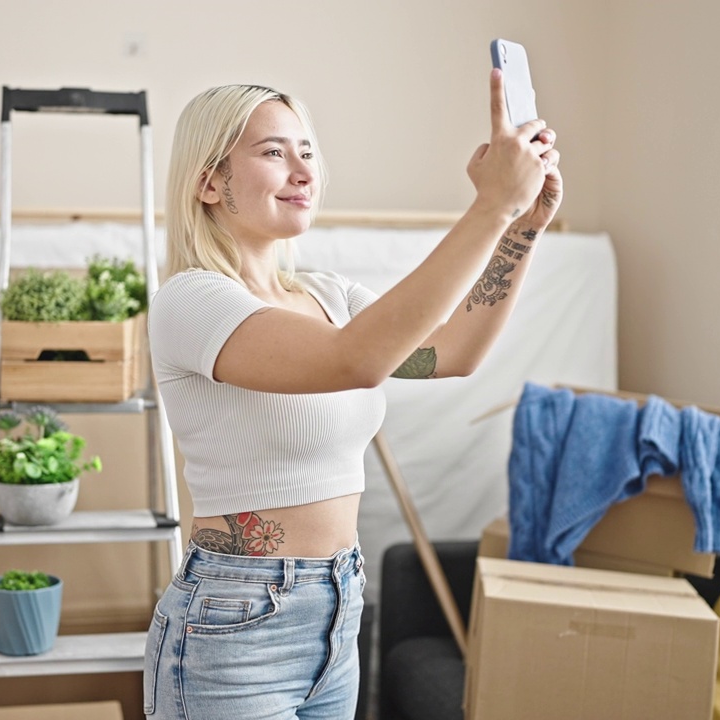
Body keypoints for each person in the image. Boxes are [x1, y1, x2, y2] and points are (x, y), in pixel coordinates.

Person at [143, 70, 561, 719]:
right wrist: (490, 207)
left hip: (337, 609)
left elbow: (453, 352)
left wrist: (521, 229)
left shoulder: (329, 295)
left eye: (307, 151)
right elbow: (357, 360)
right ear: (209, 181)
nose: (303, 170)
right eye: (274, 151)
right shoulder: (190, 301)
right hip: (235, 626)